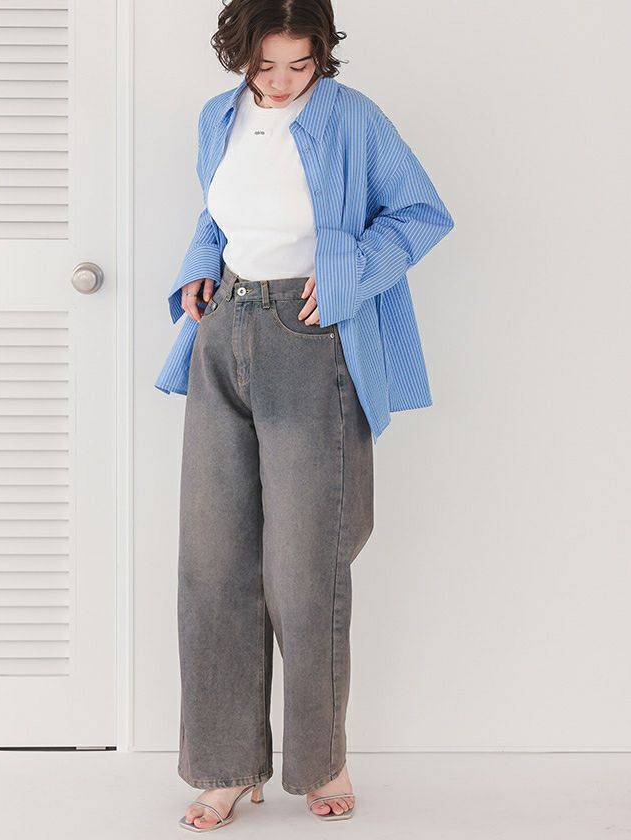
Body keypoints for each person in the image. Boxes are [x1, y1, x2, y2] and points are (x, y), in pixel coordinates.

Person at [161, 0, 454, 830]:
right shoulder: (217, 116)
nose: (284, 81)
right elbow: (217, 214)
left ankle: (323, 759)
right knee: (213, 563)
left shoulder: (354, 118)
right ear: (238, 55)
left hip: (309, 333)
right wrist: (197, 268)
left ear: (323, 53)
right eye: (266, 65)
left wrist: (351, 270)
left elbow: (421, 212)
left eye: (302, 63)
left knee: (305, 567)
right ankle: (225, 767)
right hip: (224, 328)